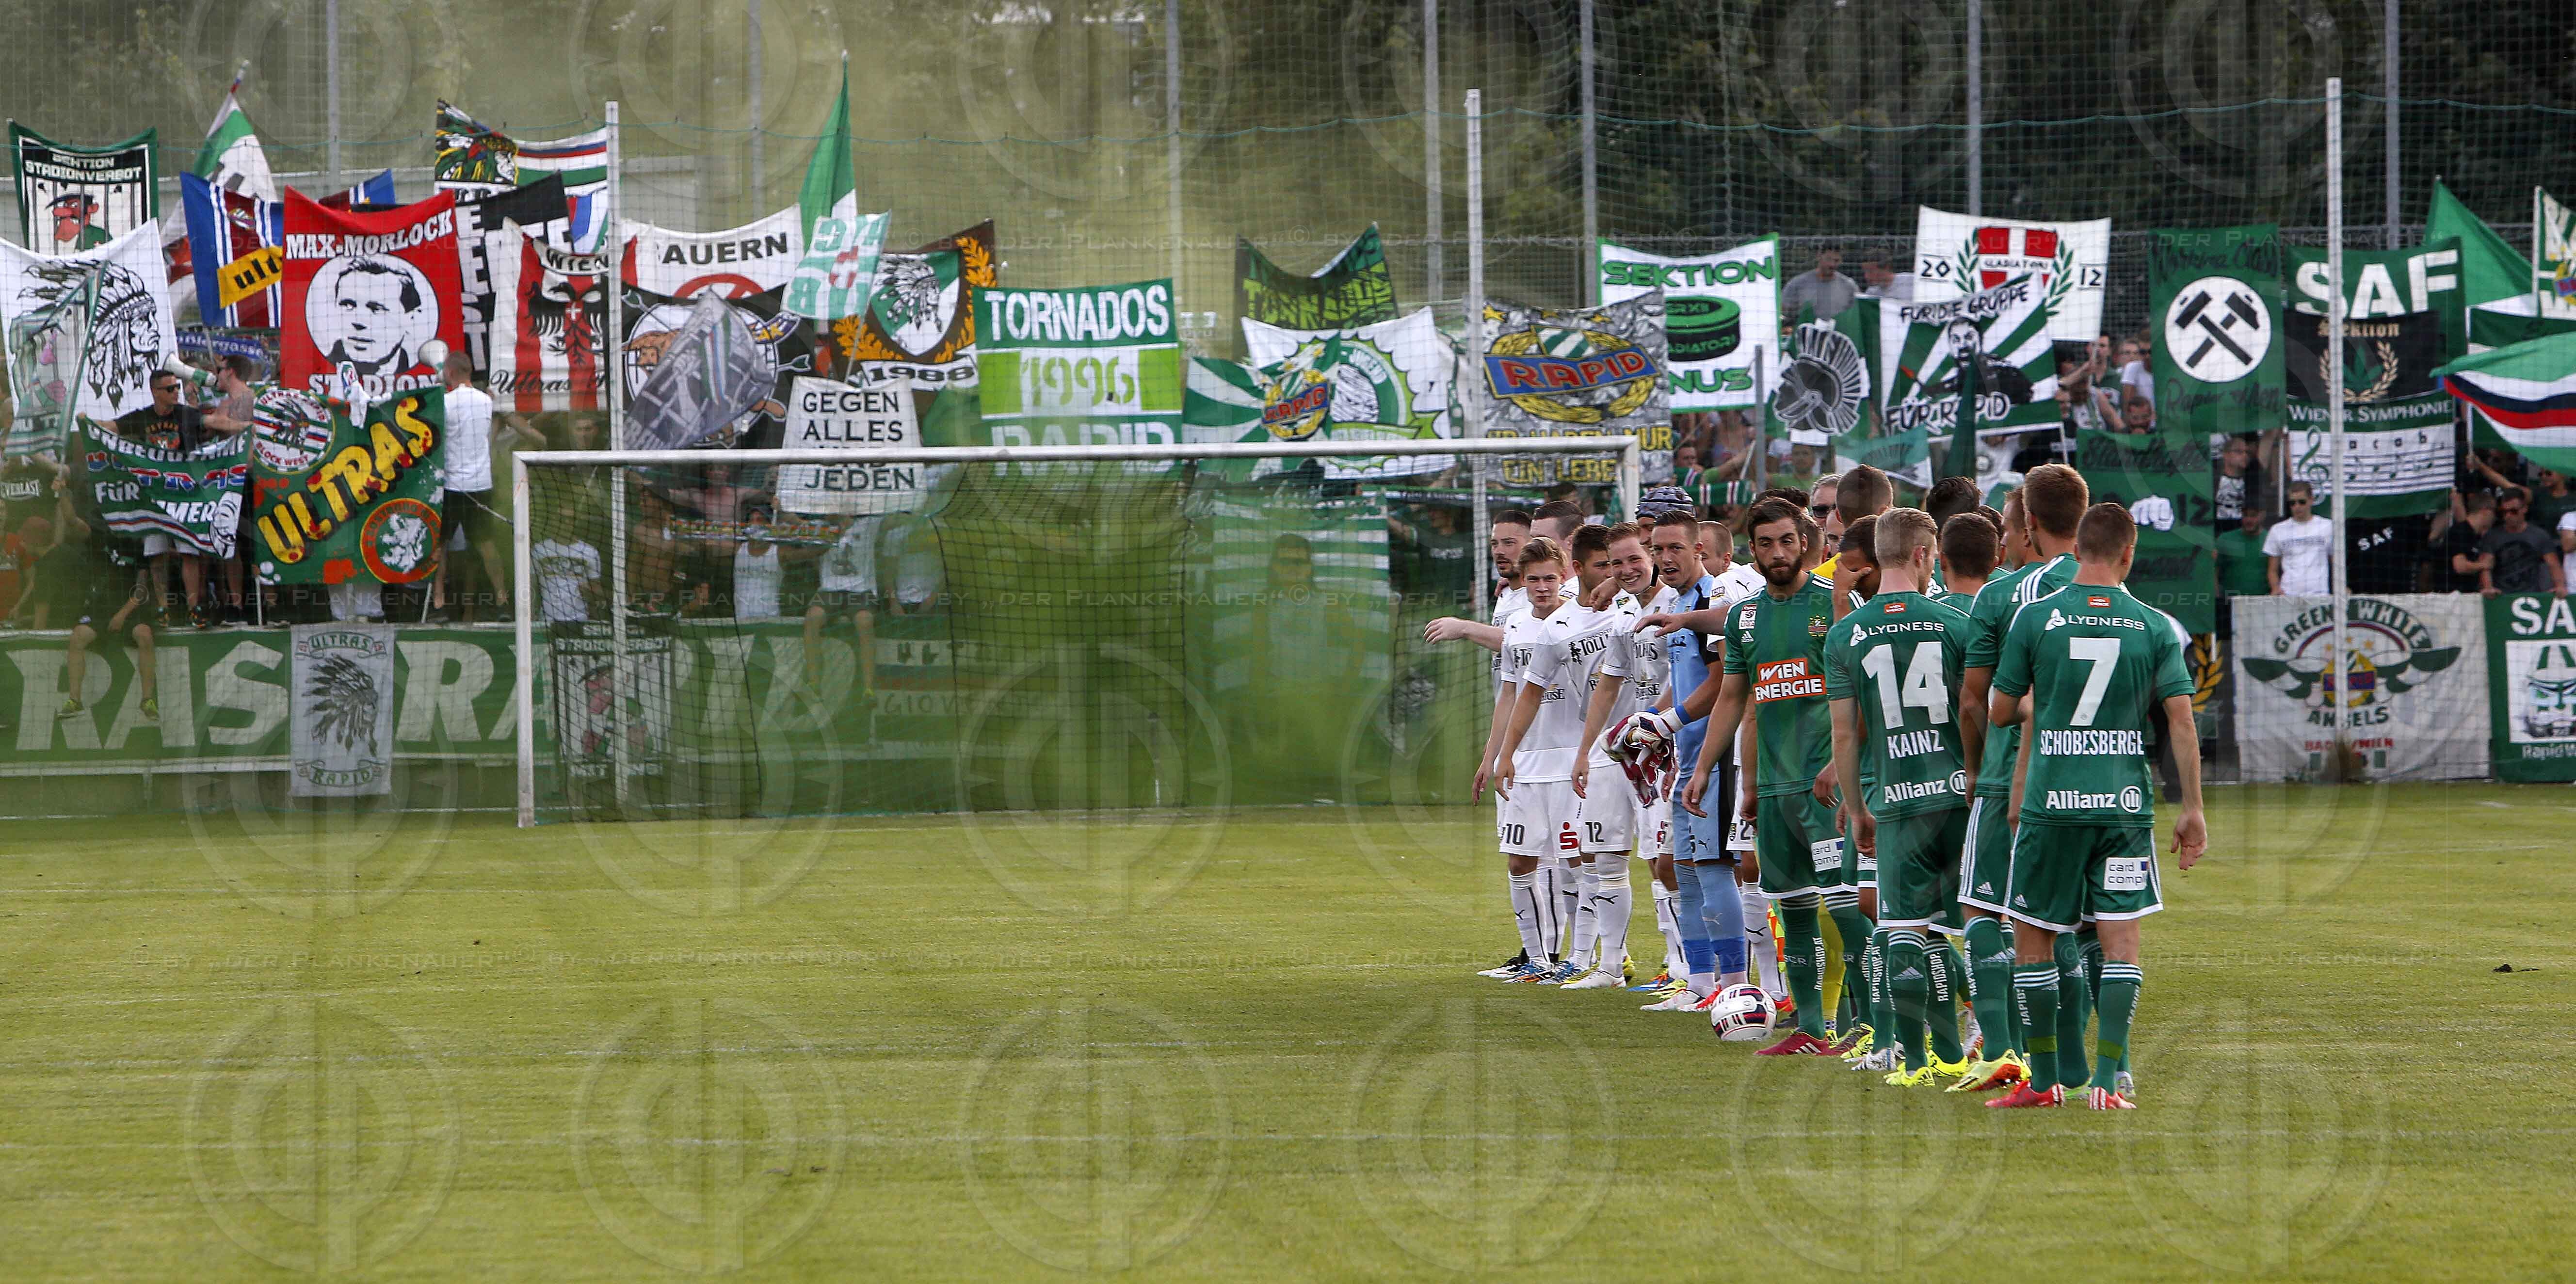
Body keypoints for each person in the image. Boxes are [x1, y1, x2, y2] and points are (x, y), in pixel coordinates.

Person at [1985, 502, 2205, 1110]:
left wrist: (2042, 704)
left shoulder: (2034, 617)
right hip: (2122, 809)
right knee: (2120, 946)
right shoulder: (2154, 625)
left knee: (2032, 943)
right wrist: (2191, 809)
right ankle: (2108, 1083)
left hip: (2049, 803)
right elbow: (2181, 722)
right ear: (2128, 554)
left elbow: (1999, 712)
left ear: (2076, 549)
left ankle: (2044, 1081)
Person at [1650, 498, 1841, 1054]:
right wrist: (1705, 768)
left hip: (1825, 785)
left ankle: (1867, 1023)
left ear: (1804, 542)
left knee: (1849, 904)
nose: (1777, 552)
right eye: (1766, 543)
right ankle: (1810, 1027)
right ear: (1750, 551)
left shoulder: (1832, 606)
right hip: (1776, 788)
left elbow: (1856, 695)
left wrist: (1844, 767)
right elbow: (1734, 697)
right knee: (1795, 907)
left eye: (1786, 540)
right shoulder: (1744, 616)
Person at [1826, 508, 1975, 1085]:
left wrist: (1857, 806)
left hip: (1893, 798)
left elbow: (1844, 732)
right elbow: (1972, 709)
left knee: (1904, 932)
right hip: (1957, 796)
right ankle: (1987, 1047)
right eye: (1932, 553)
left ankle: (1913, 1061)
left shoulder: (1845, 634)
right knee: (1980, 927)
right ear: (1920, 554)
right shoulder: (1952, 623)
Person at [1952, 464, 2088, 1091]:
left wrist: (1978, 769)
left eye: (2006, 526)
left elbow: (1974, 700)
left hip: (2012, 774)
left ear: (2027, 525)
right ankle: (2073, 1063)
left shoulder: (2000, 596)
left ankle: (2003, 1047)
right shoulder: (2107, 588)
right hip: (2092, 779)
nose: (2003, 539)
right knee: (2073, 924)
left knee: (1982, 907)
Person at [1562, 523, 1663, 989]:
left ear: (1653, 555)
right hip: (1618, 747)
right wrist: (1587, 749)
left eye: (1633, 559)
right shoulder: (1624, 615)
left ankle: (1684, 971)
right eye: (1616, 562)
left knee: (1666, 863)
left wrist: (1652, 724)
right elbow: (1610, 681)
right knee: (1604, 858)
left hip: (1665, 748)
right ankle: (1610, 966)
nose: (1625, 570)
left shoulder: (1681, 606)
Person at [1472, 537, 1576, 981]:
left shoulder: (1581, 622)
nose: (1541, 587)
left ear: (1563, 576)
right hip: (1524, 760)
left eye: (1549, 578)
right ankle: (1537, 960)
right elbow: (1508, 695)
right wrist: (1493, 756)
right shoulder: (1515, 625)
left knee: (1578, 864)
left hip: (1571, 758)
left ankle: (1596, 958)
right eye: (1532, 579)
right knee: (1520, 860)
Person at [49, 466, 159, 723]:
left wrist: (122, 615)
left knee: (144, 634)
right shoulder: (100, 537)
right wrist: (63, 493)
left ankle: (148, 700)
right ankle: (74, 700)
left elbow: (142, 589)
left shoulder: (139, 541)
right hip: (102, 604)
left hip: (130, 606)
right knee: (78, 638)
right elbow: (73, 521)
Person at [113, 369, 218, 629]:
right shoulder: (142, 418)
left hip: (186, 494)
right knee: (156, 555)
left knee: (189, 552)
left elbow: (216, 423)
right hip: (154, 496)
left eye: (177, 388)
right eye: (170, 389)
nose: (176, 393)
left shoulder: (187, 414)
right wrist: (85, 422)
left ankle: (195, 609)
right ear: (155, 391)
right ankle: (163, 609)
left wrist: (246, 425)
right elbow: (111, 427)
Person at [2479, 486, 2567, 595]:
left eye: (2514, 511)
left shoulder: (2539, 535)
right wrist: (2488, 588)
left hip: (2532, 596)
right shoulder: (2492, 536)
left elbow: (2553, 564)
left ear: (2525, 509)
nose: (2508, 516)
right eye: (2504, 512)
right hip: (2501, 598)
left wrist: (2560, 587)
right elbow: (2485, 566)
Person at [2264, 482, 2333, 596]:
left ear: (2311, 500)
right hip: (2288, 595)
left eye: (2302, 502)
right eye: (2293, 503)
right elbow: (2272, 570)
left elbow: (2336, 563)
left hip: (2319, 595)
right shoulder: (2278, 530)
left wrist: (2342, 587)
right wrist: (2276, 588)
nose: (2297, 507)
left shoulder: (2328, 526)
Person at [1782, 246, 1858, 322]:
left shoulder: (1849, 286)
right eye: (1829, 259)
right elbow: (1782, 310)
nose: (1832, 264)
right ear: (1819, 256)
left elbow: (1858, 314)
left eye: (1836, 261)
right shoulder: (1798, 283)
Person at [2218, 502, 2274, 599]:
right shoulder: (2226, 539)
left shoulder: (2271, 539)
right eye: (2245, 515)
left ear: (2263, 515)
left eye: (2253, 516)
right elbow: (2214, 571)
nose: (2248, 520)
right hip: (2230, 603)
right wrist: (2217, 597)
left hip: (2262, 603)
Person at [2212, 435, 2265, 533]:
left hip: (2243, 532)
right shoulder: (2214, 479)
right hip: (2218, 530)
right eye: (2239, 452)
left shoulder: (2252, 479)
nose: (2245, 456)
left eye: (2247, 452)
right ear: (2226, 455)